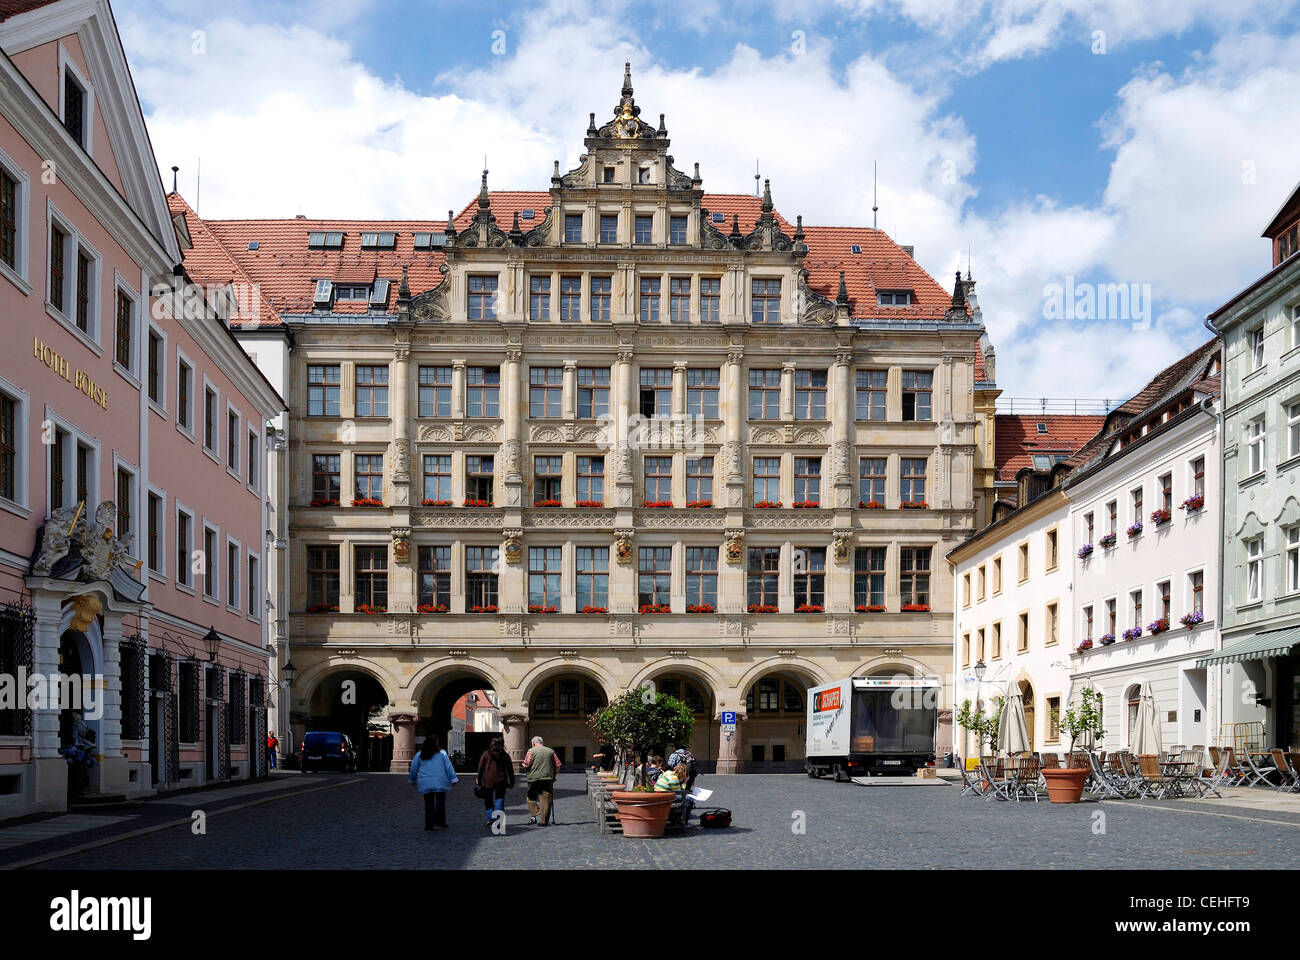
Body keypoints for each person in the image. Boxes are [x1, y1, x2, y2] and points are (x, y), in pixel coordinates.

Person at [408, 734, 458, 830]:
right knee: (440, 803)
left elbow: (414, 768)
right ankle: (440, 822)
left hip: (426, 782)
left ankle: (429, 824)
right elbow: (449, 767)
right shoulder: (442, 753)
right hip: (440, 781)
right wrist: (453, 779)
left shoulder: (420, 754)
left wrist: (412, 779)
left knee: (428, 803)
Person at [476, 736, 514, 828]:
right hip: (501, 780)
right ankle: (498, 820)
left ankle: (490, 818)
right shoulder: (505, 755)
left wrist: (479, 779)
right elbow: (510, 770)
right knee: (499, 800)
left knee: (488, 799)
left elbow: (480, 768)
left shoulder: (486, 754)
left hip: (488, 781)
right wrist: (511, 781)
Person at [521, 735, 560, 825]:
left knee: (530, 797)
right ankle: (544, 822)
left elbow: (526, 764)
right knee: (546, 799)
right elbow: (558, 765)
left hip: (533, 778)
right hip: (547, 778)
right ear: (542, 743)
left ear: (533, 743)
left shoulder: (531, 751)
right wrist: (554, 776)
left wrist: (523, 766)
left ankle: (535, 811)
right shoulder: (551, 751)